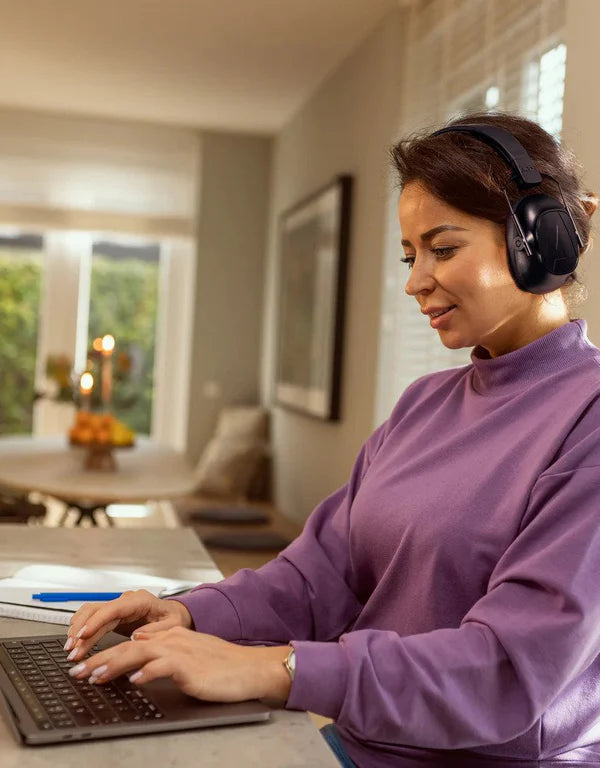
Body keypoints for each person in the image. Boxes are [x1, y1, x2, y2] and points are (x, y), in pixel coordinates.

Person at [64, 112, 600, 768]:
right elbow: (321, 574)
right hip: (359, 745)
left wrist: (275, 669)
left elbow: (507, 674)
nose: (415, 281)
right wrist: (192, 616)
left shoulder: (588, 420)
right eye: (410, 256)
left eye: (444, 247)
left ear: (545, 238)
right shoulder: (424, 405)